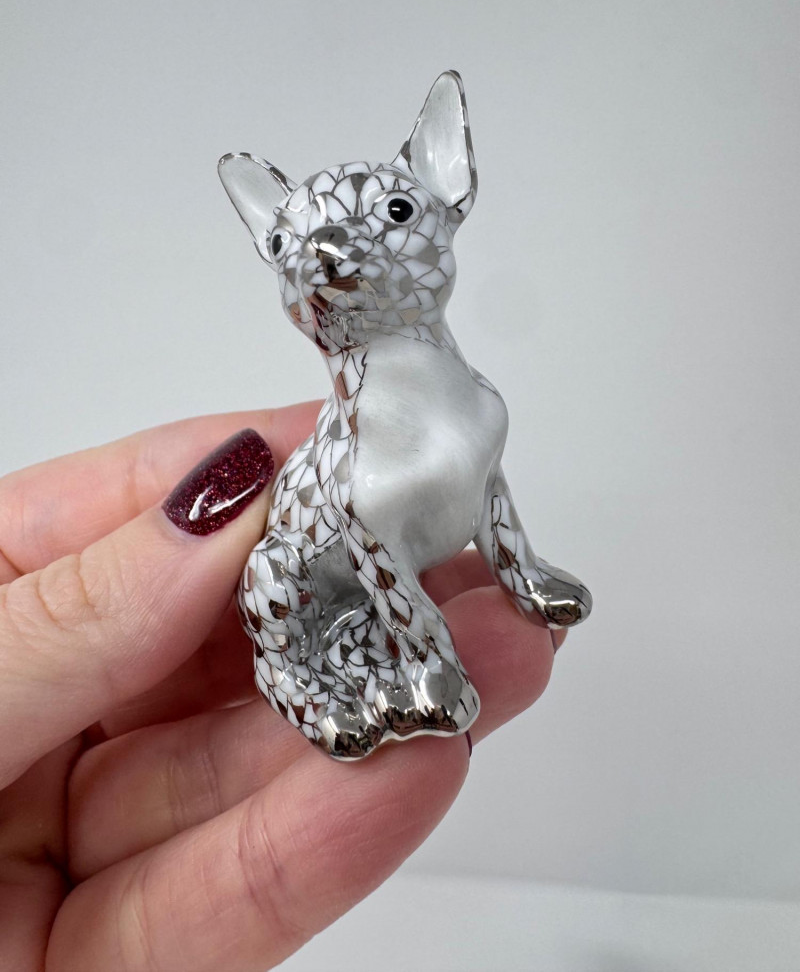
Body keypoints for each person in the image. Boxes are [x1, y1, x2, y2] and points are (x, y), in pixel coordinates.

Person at [0, 403, 564, 971]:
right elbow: (374, 549)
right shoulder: (353, 445)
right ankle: (341, 686)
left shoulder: (454, 415)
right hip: (308, 596)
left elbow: (475, 483)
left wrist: (524, 576)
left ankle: (409, 672)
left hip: (360, 603)